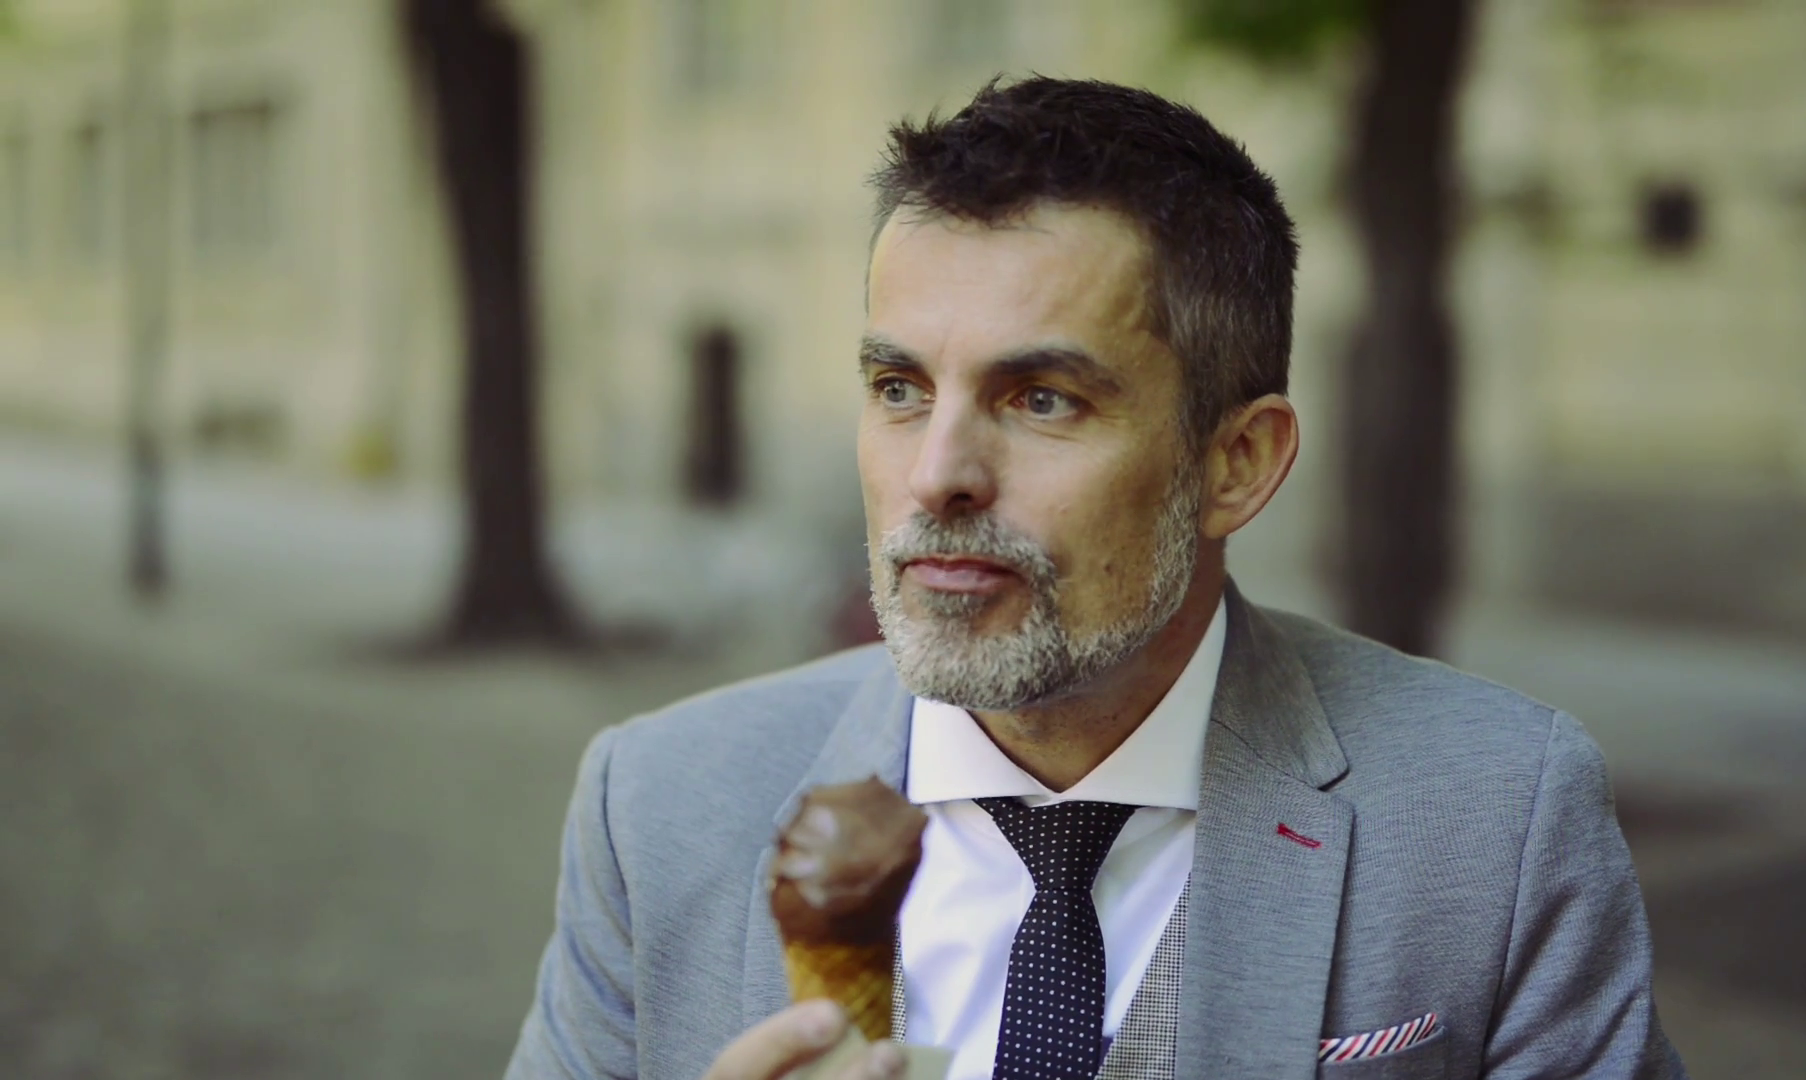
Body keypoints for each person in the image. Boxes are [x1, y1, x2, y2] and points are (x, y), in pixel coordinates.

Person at [505, 77, 1686, 1080]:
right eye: (899, 389)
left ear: (1237, 464)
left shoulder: (1496, 817)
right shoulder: (656, 806)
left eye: (1042, 400)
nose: (937, 474)